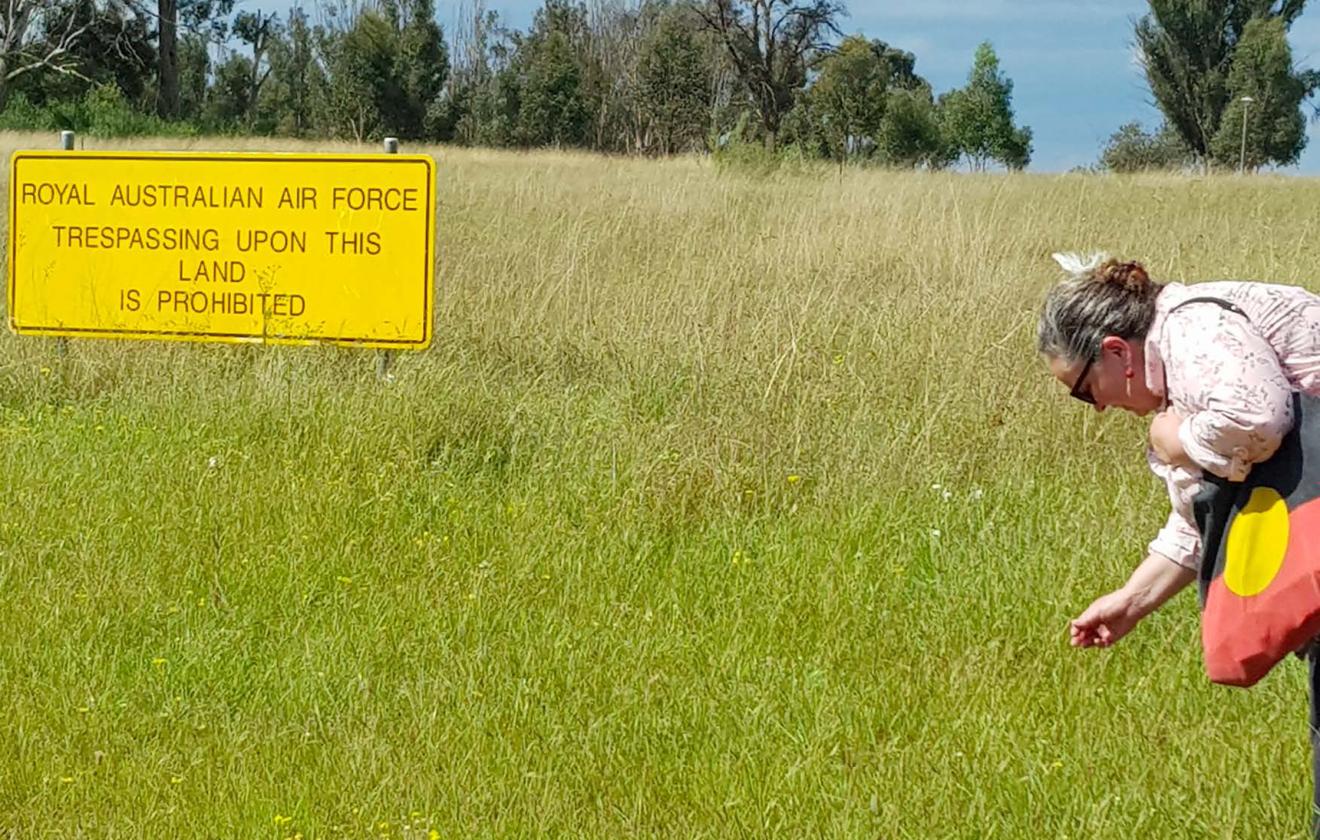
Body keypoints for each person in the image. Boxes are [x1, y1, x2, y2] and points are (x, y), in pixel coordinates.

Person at [1037, 251, 1320, 828]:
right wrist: (1132, 601)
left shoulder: (1191, 329)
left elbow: (1261, 418)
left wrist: (1174, 438)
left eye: (1084, 391)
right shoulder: (1181, 372)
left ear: (1116, 352)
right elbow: (1202, 516)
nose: (1097, 409)